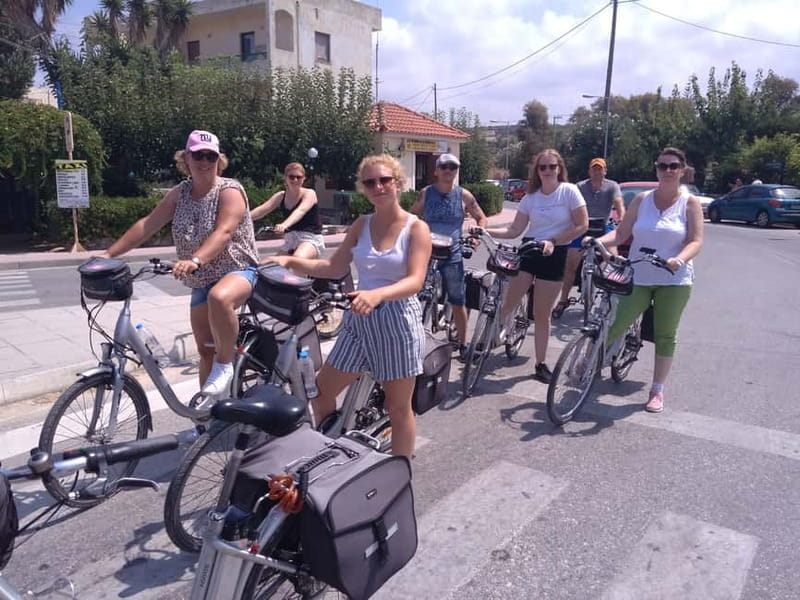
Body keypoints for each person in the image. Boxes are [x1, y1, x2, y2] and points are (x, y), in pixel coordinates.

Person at [265, 154, 431, 458]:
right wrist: (289, 261)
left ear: (398, 183)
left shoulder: (416, 228)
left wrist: (378, 295)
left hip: (397, 322)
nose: (378, 186)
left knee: (397, 408)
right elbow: (333, 266)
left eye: (385, 180)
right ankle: (332, 449)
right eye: (370, 182)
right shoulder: (361, 224)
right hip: (358, 319)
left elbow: (415, 281)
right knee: (323, 390)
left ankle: (401, 470)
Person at [100, 130, 259, 396]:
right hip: (201, 279)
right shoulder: (181, 193)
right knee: (205, 350)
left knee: (219, 299)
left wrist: (195, 259)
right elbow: (148, 224)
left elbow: (224, 232)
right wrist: (109, 255)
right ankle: (205, 417)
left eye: (211, 155)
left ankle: (226, 365)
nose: (205, 161)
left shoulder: (229, 190)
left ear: (219, 160)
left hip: (237, 271)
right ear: (186, 158)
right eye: (198, 154)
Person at [594, 146, 703, 413]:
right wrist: (597, 241)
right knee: (616, 322)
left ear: (682, 170)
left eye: (673, 166)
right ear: (656, 169)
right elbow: (620, 234)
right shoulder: (642, 200)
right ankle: (589, 365)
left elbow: (696, 241)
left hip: (674, 279)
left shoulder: (689, 203)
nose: (667, 171)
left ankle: (657, 390)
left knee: (665, 335)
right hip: (639, 273)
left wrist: (680, 258)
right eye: (662, 166)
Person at [479, 149, 588, 383]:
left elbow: (582, 225)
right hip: (530, 250)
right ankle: (490, 339)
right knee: (508, 301)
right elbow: (515, 230)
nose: (548, 171)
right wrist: (486, 230)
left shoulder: (569, 192)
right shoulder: (531, 197)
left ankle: (540, 364)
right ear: (537, 171)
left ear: (559, 168)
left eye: (552, 166)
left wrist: (554, 241)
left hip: (556, 252)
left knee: (541, 314)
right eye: (543, 167)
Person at [410, 153, 487, 361]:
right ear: (436, 170)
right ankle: (411, 340)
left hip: (452, 254)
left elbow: (481, 217)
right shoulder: (426, 193)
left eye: (452, 167)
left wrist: (477, 234)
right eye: (443, 166)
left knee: (457, 300)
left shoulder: (464, 196)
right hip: (426, 251)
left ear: (456, 170)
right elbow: (412, 214)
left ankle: (463, 344)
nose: (447, 170)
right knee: (415, 296)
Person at [552, 157, 624, 319]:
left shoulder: (612, 186)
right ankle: (563, 300)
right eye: (594, 169)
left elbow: (619, 205)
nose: (597, 172)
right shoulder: (580, 187)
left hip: (603, 227)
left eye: (600, 169)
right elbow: (571, 206)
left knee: (614, 259)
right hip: (582, 227)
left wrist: (622, 219)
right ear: (589, 171)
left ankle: (610, 296)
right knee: (570, 266)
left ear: (605, 171)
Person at [250, 162, 324, 259]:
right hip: (291, 241)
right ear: (285, 178)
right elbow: (261, 210)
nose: (295, 180)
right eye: (291, 177)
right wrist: (239, 219)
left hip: (310, 239)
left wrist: (284, 225)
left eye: (299, 177)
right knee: (267, 267)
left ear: (303, 179)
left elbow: (300, 211)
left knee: (297, 259)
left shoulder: (309, 193)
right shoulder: (281, 196)